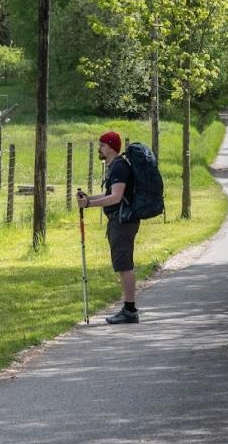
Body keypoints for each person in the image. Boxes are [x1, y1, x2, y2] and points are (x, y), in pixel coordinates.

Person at [76, 131, 140, 324]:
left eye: (102, 145)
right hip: (119, 220)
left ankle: (130, 311)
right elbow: (109, 194)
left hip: (123, 221)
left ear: (111, 147)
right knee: (122, 264)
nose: (99, 148)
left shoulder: (119, 167)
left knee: (124, 265)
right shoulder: (115, 166)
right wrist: (89, 198)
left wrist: (88, 204)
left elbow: (116, 197)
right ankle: (128, 309)